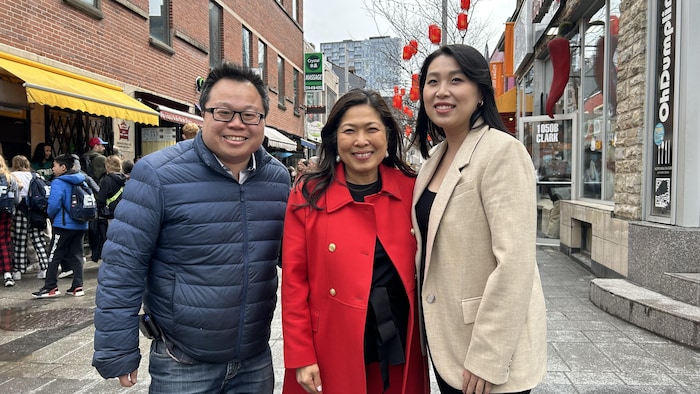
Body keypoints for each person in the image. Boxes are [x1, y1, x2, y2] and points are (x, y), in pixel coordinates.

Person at [92, 62, 290, 393]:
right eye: (223, 112)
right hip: (182, 362)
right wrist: (117, 349)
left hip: (254, 360)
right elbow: (123, 265)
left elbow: (294, 258)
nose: (237, 124)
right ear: (203, 114)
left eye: (250, 115)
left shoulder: (278, 178)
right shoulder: (157, 174)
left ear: (263, 120)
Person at [411, 44, 547, 394]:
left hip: (486, 352)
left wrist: (488, 356)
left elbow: (515, 263)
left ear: (481, 92)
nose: (442, 91)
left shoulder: (502, 151)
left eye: (456, 80)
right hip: (447, 341)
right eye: (432, 81)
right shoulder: (432, 161)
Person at [281, 89, 429, 394]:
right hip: (332, 345)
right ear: (335, 138)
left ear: (387, 136)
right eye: (349, 131)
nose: (361, 141)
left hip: (399, 341)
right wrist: (301, 356)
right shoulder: (308, 194)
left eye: (372, 129)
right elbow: (294, 283)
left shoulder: (411, 188)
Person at [31, 154, 89, 298]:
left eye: (55, 165)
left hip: (63, 224)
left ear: (63, 167)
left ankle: (50, 287)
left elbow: (54, 205)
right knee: (77, 255)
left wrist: (50, 215)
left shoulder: (58, 182)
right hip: (81, 224)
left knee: (54, 254)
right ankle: (77, 286)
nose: (52, 168)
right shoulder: (82, 180)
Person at [10, 155, 50, 281]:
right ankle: (45, 268)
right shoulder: (36, 175)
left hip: (20, 211)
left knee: (20, 241)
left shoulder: (12, 176)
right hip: (36, 212)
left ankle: (17, 270)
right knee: (38, 240)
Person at [93, 155, 126, 259]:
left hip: (109, 213)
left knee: (110, 237)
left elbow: (101, 199)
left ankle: (112, 257)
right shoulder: (124, 179)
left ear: (108, 167)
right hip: (123, 211)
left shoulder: (107, 180)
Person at [1, 155, 20, 287]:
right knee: (4, 241)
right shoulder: (10, 178)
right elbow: (17, 200)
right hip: (5, 213)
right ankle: (8, 273)